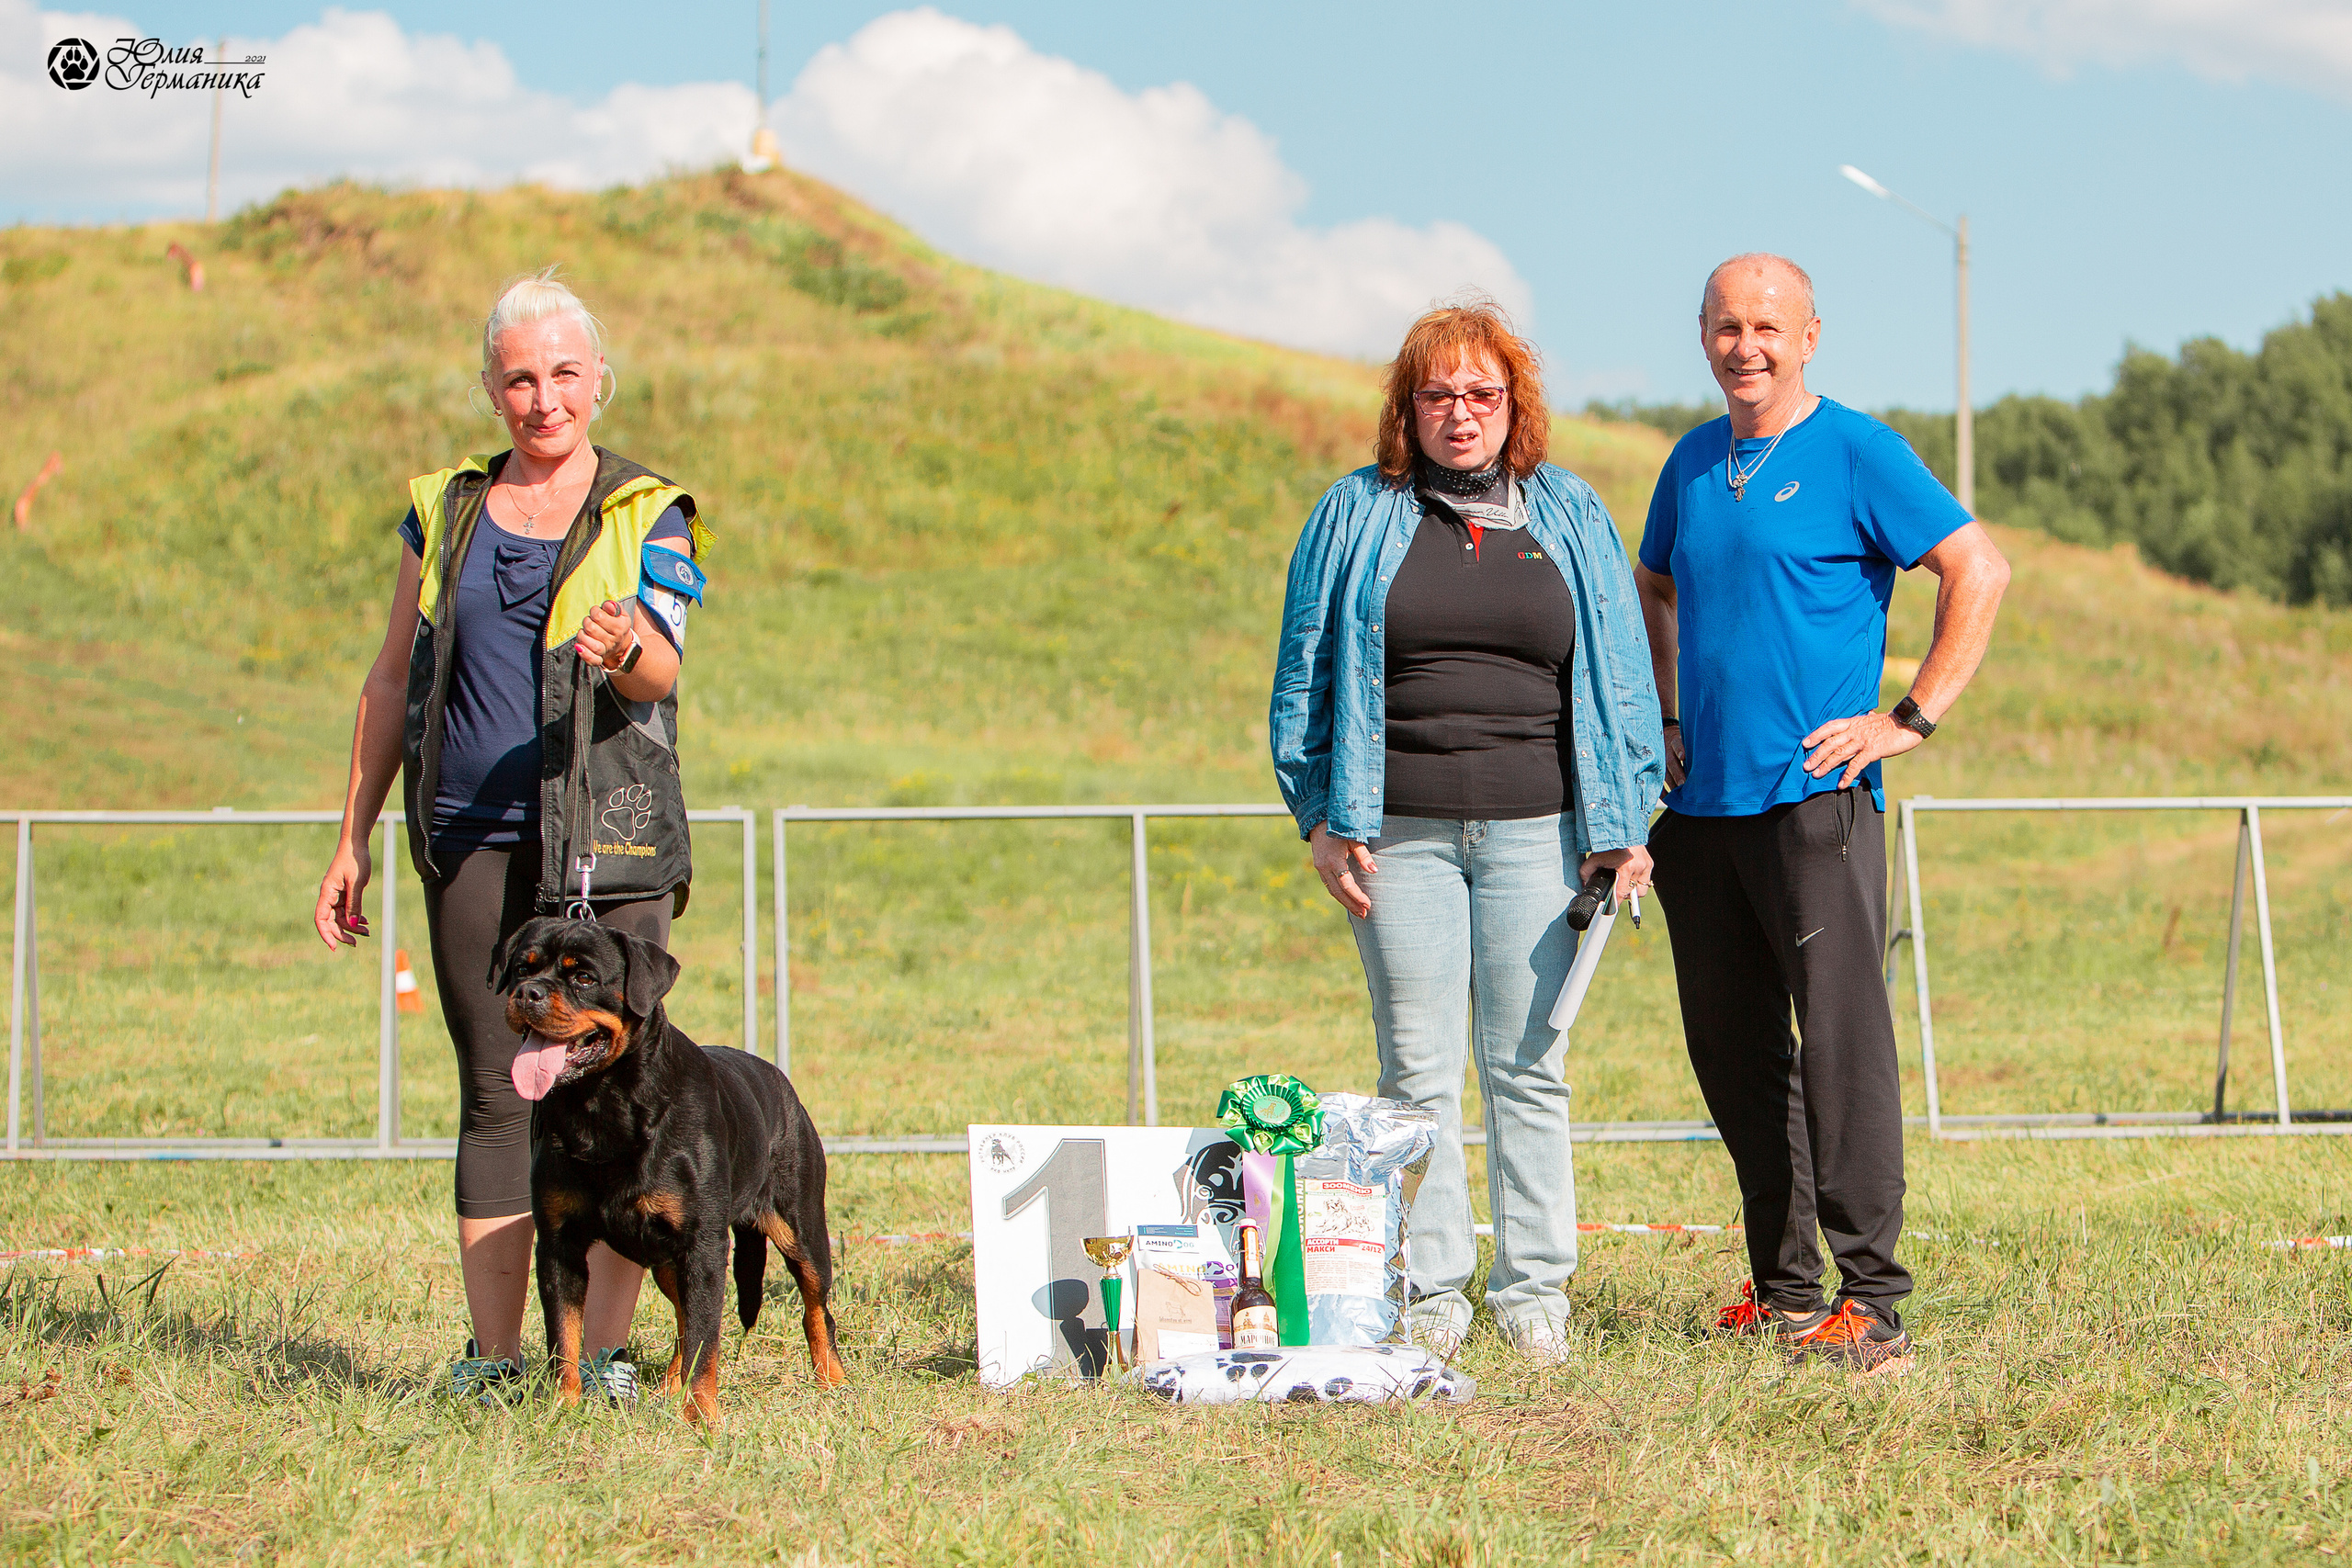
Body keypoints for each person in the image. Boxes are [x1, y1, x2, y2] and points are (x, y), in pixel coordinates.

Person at [311, 269, 713, 1403]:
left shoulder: (651, 510)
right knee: (499, 1087)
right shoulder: (442, 507)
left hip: (613, 845)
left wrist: (622, 645)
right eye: (520, 378)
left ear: (601, 384)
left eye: (565, 375)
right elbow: (391, 679)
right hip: (470, 837)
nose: (545, 398)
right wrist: (351, 836)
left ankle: (614, 1358)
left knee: (623, 1085)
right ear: (492, 391)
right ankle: (494, 1363)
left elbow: (665, 667)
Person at [1635, 254, 2009, 1374]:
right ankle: (1786, 1289)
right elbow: (1656, 583)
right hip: (1699, 811)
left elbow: (1976, 569)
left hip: (1816, 800)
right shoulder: (1694, 462)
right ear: (1699, 335)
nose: (1742, 346)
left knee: (1840, 1048)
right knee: (1734, 1051)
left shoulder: (1856, 450)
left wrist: (1908, 718)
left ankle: (1873, 1302)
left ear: (1807, 337)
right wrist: (1664, 719)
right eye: (1723, 326)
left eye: (1765, 326)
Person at [1271, 299, 1665, 1361]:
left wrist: (1622, 822)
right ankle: (1433, 1296)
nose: (1460, 413)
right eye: (1437, 394)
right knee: (1416, 1075)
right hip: (1394, 833)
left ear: (1512, 406)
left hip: (1543, 834)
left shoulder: (1571, 511)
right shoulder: (1354, 511)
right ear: (1409, 407)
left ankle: (1535, 1298)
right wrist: (1318, 815)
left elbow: (1622, 675)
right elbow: (1304, 667)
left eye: (1480, 394)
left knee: (1529, 1065)